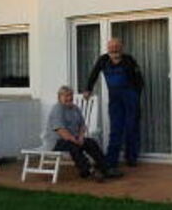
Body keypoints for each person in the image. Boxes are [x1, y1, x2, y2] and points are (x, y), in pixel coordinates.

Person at [84, 38, 144, 169]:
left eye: (117, 46)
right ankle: (112, 160)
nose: (114, 49)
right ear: (108, 48)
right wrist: (88, 89)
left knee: (131, 127)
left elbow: (139, 79)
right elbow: (94, 74)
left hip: (130, 96)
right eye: (111, 47)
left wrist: (136, 95)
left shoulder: (129, 60)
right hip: (115, 98)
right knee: (115, 128)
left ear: (121, 48)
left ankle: (131, 158)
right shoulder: (103, 60)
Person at [47, 86, 120, 181]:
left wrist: (81, 137)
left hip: (74, 138)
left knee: (91, 143)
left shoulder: (75, 108)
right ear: (59, 97)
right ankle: (88, 171)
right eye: (66, 96)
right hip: (57, 141)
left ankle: (105, 168)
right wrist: (75, 140)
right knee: (73, 146)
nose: (69, 98)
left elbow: (82, 125)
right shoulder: (57, 109)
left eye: (70, 95)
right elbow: (61, 131)